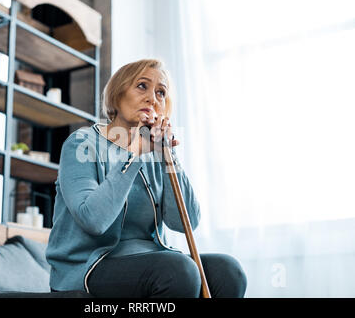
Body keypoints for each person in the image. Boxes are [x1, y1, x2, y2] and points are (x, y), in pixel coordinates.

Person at [46, 59, 247, 298]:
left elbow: (186, 222)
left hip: (149, 258)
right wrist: (134, 154)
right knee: (177, 270)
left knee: (228, 271)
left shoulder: (155, 153)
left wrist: (167, 156)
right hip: (88, 266)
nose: (153, 98)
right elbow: (94, 220)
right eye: (142, 86)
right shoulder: (81, 144)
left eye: (160, 92)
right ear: (117, 94)